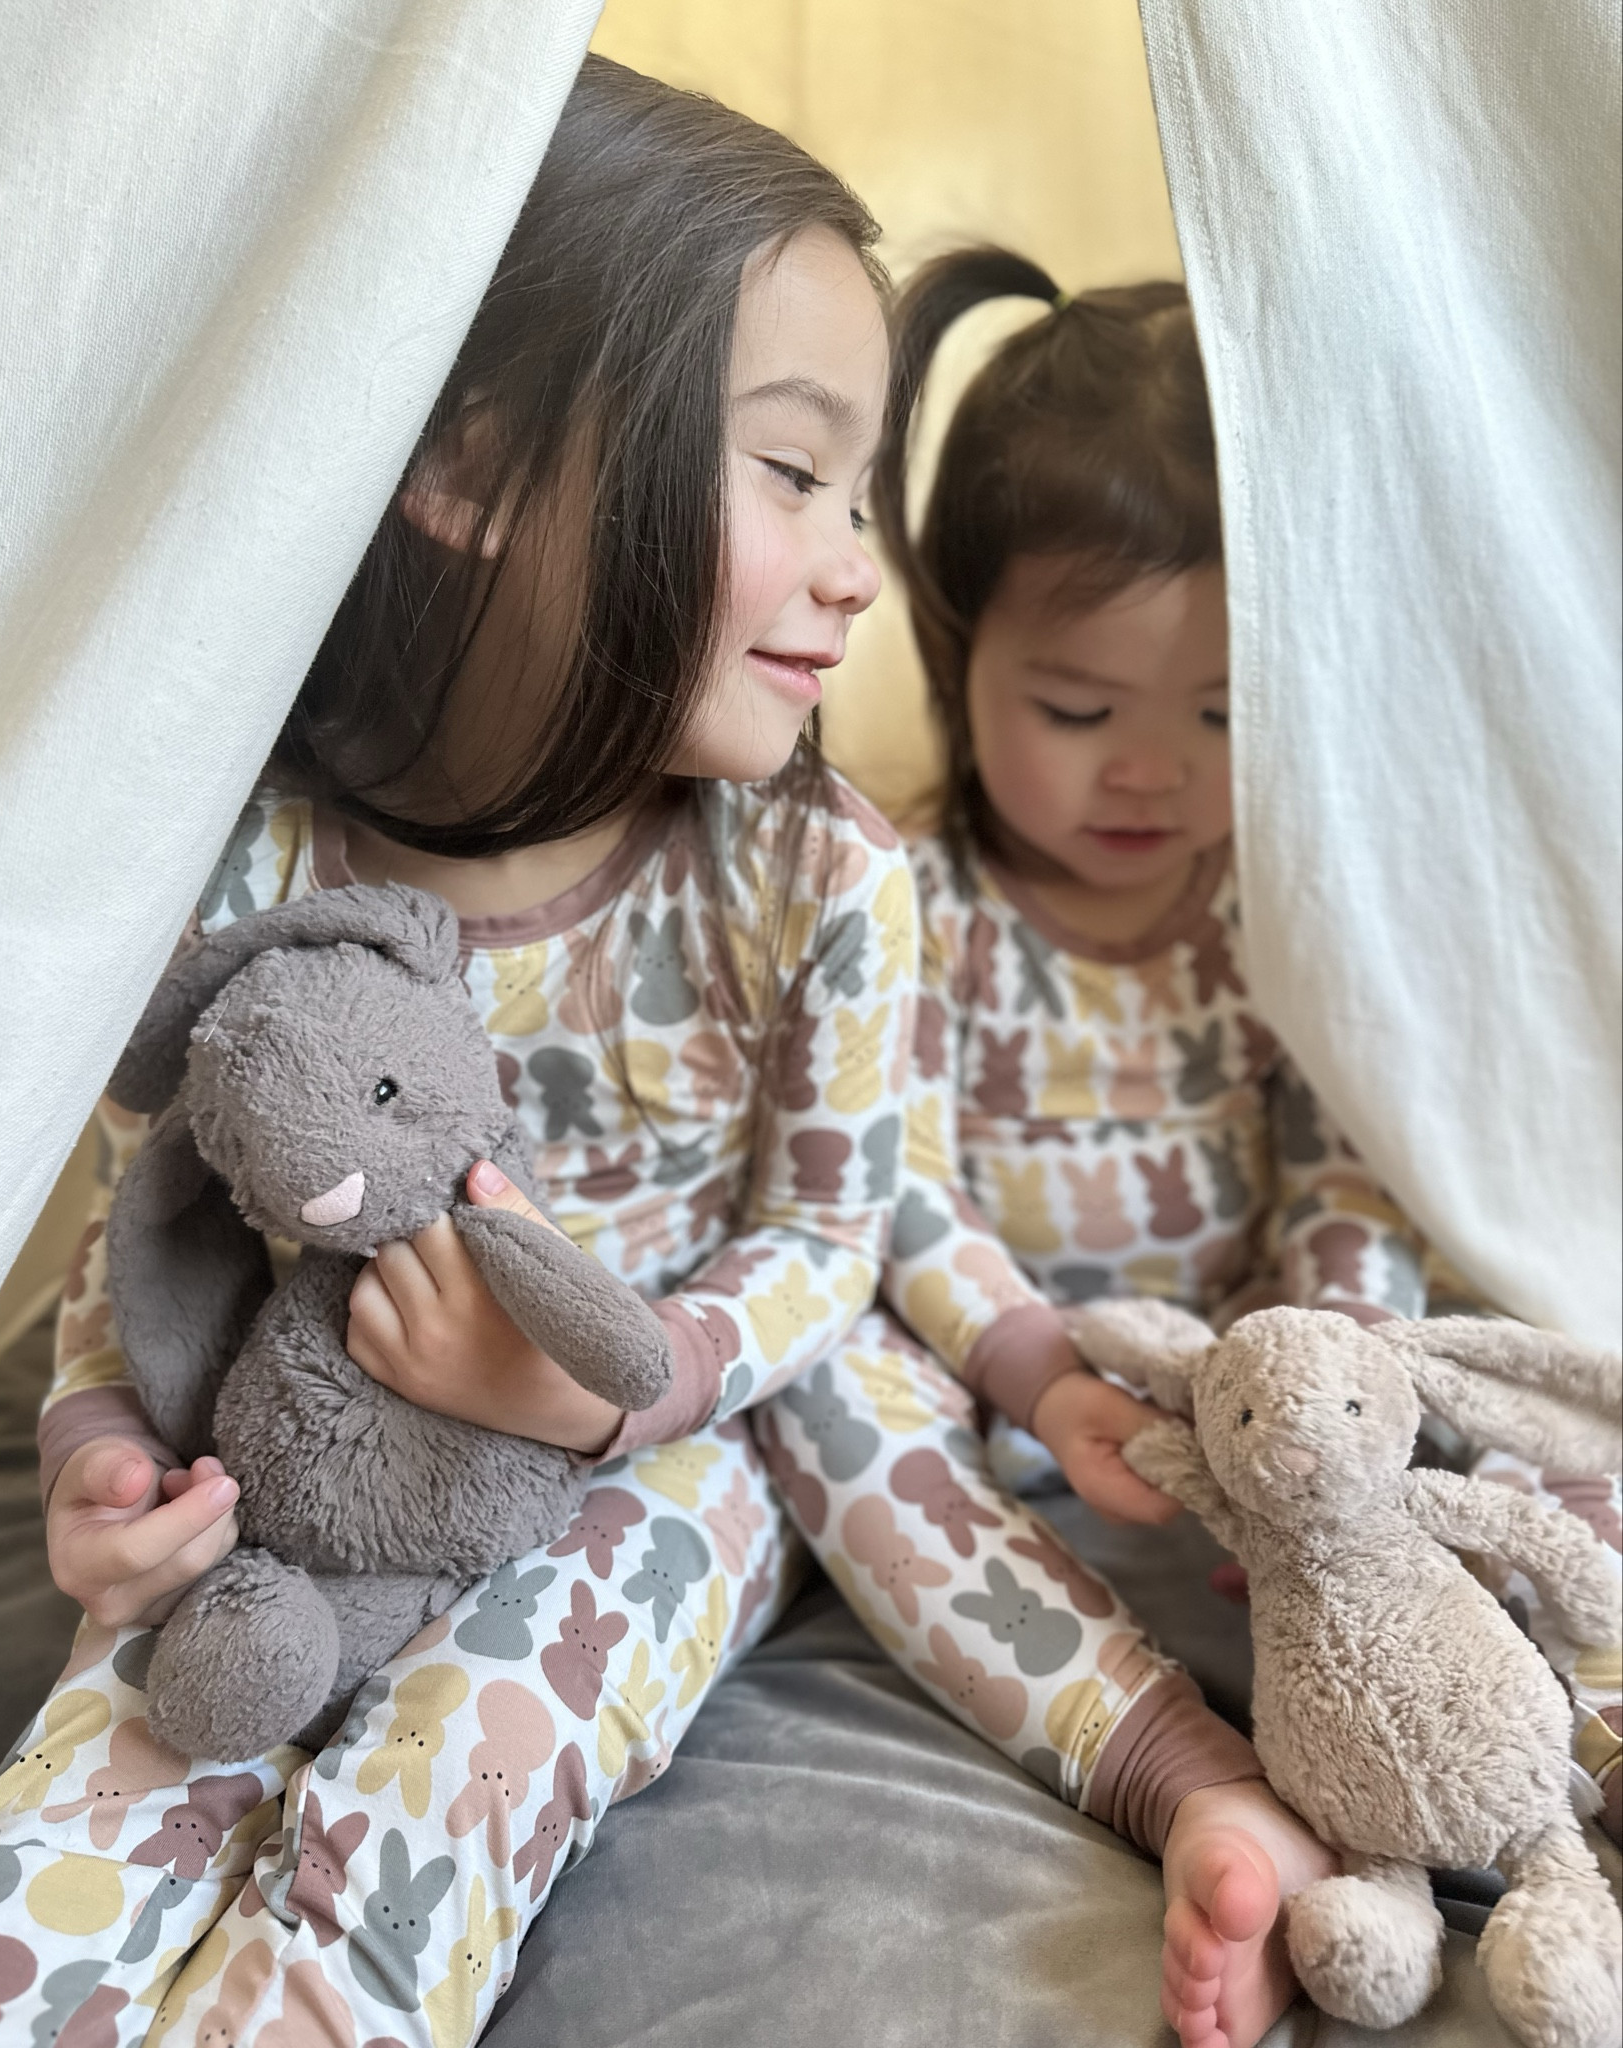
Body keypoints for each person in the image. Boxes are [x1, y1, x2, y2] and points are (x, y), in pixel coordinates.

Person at [0, 56, 905, 2047]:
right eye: (790, 471)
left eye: (863, 494)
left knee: (434, 1798)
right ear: (473, 469)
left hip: (649, 1478)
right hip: (286, 1477)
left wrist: (607, 1392)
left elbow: (832, 1244)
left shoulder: (818, 872)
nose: (856, 564)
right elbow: (150, 1228)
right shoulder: (248, 849)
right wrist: (97, 1451)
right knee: (89, 1804)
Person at [755, 248, 1531, 2048]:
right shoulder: (908, 904)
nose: (1150, 774)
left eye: (1223, 716)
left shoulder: (1278, 916)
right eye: (1079, 710)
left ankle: (1561, 1727)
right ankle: (1178, 1771)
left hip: (1277, 1425)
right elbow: (891, 1184)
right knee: (820, 1400)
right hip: (1014, 1416)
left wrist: (1326, 1377)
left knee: (1497, 1379)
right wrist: (1033, 1372)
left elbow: (1344, 1164)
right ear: (956, 648)